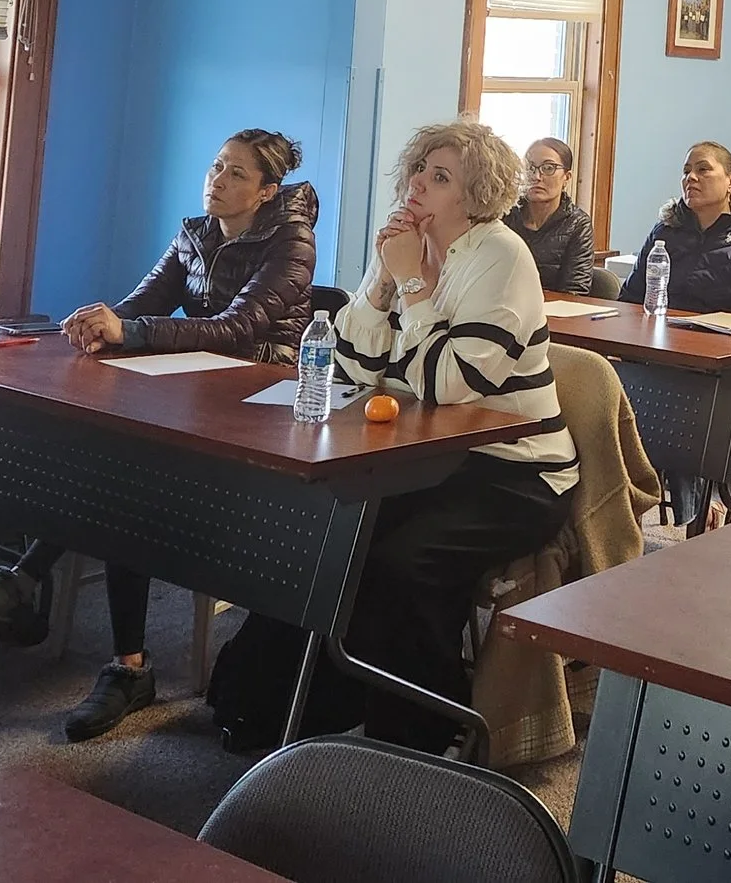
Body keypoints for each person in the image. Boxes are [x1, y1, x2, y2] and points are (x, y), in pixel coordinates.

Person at [213, 119, 577, 754]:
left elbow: (448, 384)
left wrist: (410, 284)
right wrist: (383, 281)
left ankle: (419, 735)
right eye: (419, 171)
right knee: (326, 534)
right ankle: (278, 712)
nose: (420, 186)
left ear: (476, 195)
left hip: (516, 472)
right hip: (426, 456)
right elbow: (354, 365)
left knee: (403, 565)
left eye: (441, 178)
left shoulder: (501, 255)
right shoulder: (407, 246)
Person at [0, 128, 315, 740]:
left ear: (267, 191)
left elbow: (234, 327)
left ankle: (32, 587)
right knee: (113, 467)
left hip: (259, 410)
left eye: (237, 175)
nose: (216, 181)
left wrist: (133, 332)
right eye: (216, 166)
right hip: (196, 395)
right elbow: (142, 303)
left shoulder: (291, 244)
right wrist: (101, 325)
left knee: (127, 479)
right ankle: (109, 652)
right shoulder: (195, 234)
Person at [620, 141, 731, 319]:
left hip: (724, 342)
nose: (690, 177)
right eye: (686, 171)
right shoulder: (665, 231)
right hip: (663, 337)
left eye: (703, 169)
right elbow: (630, 298)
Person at [505, 135, 596, 294]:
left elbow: (575, 290)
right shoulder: (505, 214)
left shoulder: (577, 224)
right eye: (529, 167)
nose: (536, 176)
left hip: (554, 312)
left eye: (548, 168)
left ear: (566, 178)